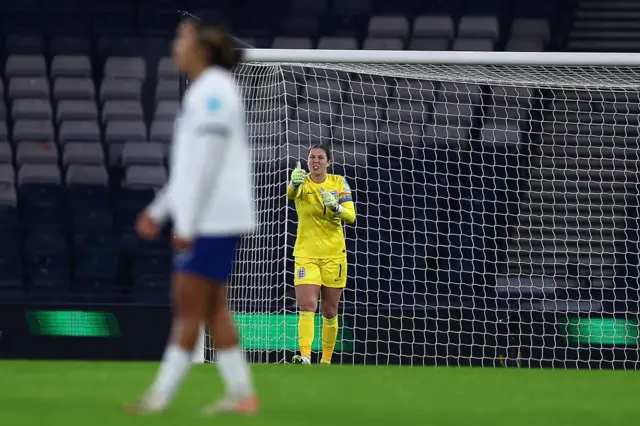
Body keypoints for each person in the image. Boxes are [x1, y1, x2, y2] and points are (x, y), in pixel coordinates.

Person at [127, 13, 258, 415]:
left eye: (181, 38)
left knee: (187, 305)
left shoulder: (214, 92)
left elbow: (206, 165)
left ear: (201, 49)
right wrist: (159, 209)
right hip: (210, 217)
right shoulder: (206, 90)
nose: (174, 45)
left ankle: (160, 396)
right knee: (213, 307)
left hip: (212, 220)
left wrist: (185, 223)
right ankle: (242, 394)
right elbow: (189, 169)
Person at [287, 144, 356, 365]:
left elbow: (351, 217)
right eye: (311, 157)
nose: (315, 161)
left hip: (334, 255)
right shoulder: (301, 182)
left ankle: (325, 361)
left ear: (328, 162)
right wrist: (293, 182)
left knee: (330, 309)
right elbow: (291, 194)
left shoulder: (338, 182)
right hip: (306, 254)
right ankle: (305, 356)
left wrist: (336, 207)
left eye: (320, 157)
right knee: (307, 305)